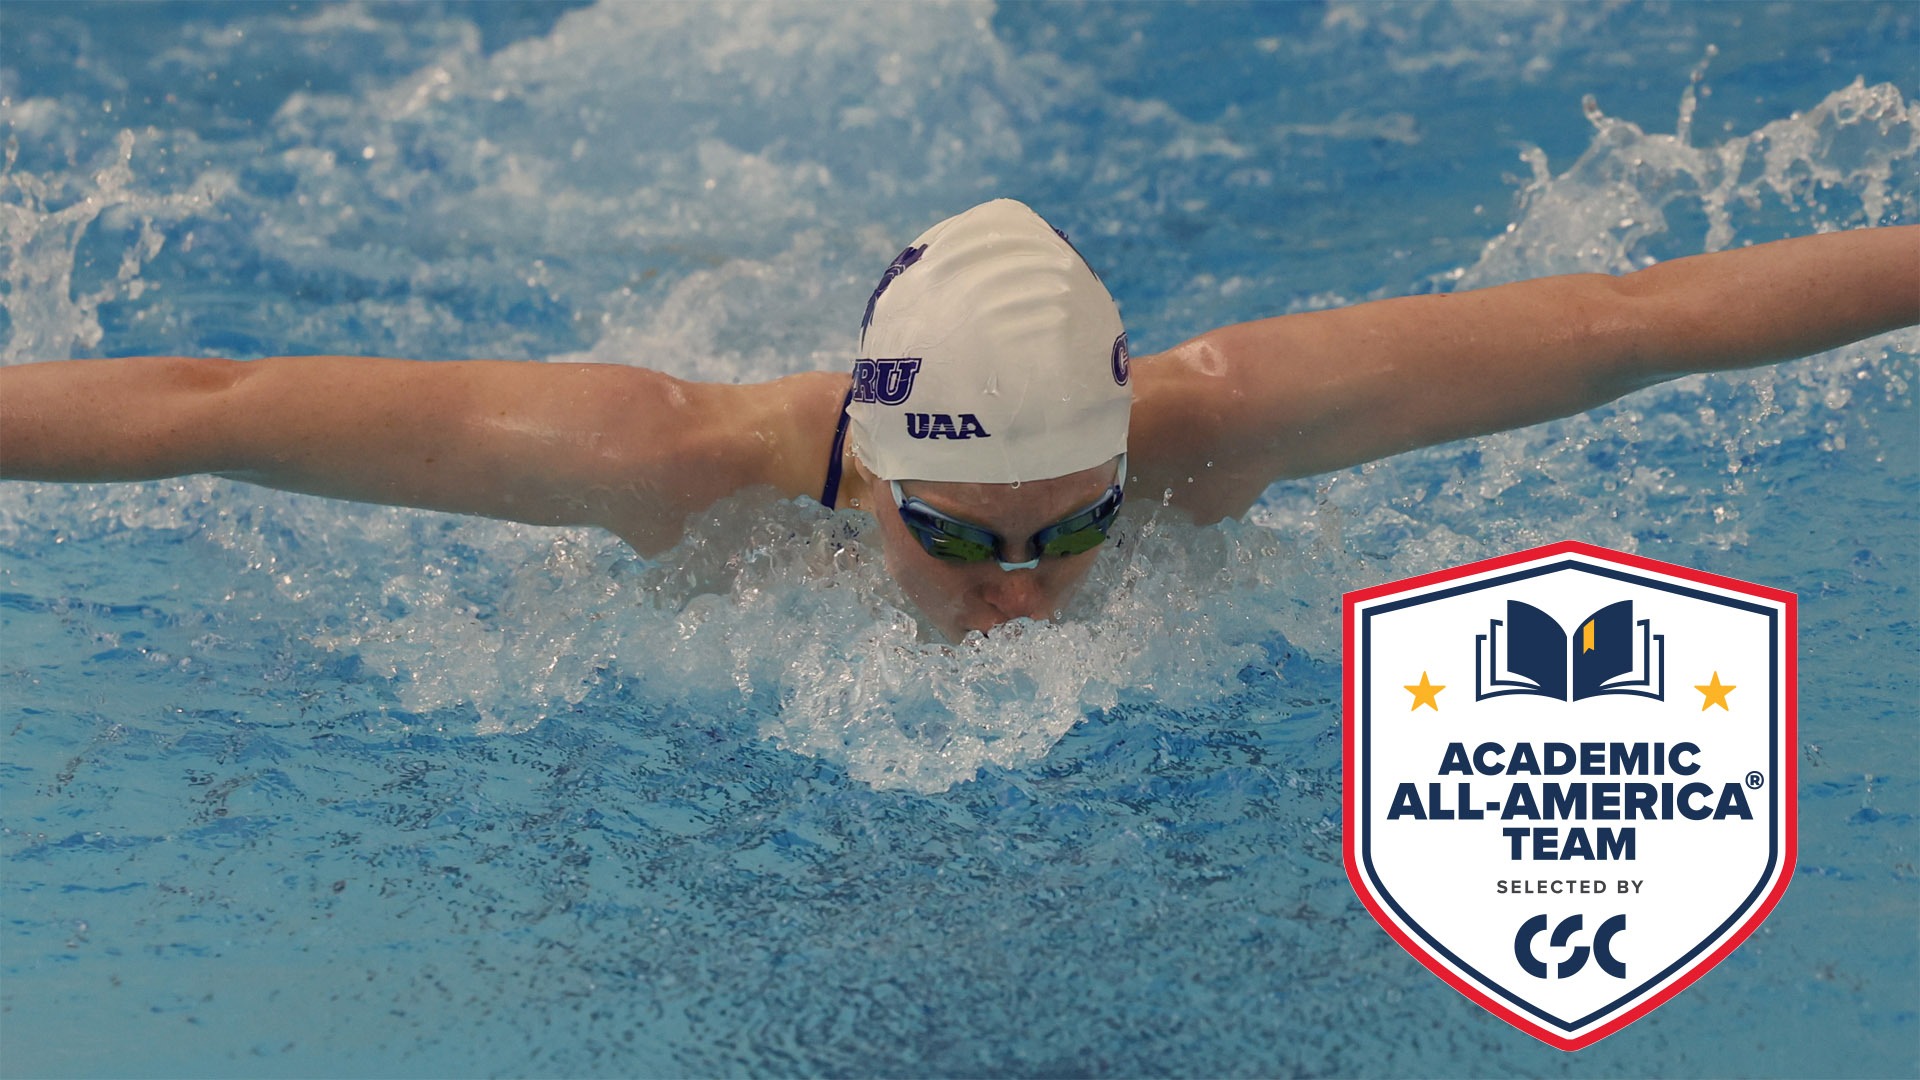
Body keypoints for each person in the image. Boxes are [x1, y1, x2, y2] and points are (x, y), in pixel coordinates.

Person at [2, 200, 1915, 640]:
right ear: (872, 471)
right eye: (965, 541)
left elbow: (1628, 325)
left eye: (1078, 531)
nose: (1024, 603)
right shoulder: (665, 465)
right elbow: (218, 408)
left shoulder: (1218, 427)